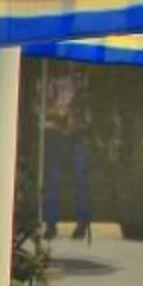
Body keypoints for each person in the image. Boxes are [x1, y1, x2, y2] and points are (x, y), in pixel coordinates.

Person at [41, 67, 92, 242]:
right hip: (56, 136)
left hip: (76, 136)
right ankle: (51, 224)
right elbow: (41, 110)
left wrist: (75, 120)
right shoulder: (47, 80)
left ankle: (82, 223)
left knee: (80, 181)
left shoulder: (81, 83)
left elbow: (87, 112)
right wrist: (55, 118)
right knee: (52, 181)